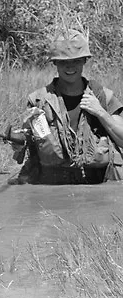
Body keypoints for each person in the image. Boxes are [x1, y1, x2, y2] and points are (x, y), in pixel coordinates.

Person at [9, 29, 123, 185]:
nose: (70, 67)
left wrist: (100, 112)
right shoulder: (39, 100)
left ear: (84, 60)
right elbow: (26, 146)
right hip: (52, 185)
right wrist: (17, 142)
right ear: (55, 63)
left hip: (97, 186)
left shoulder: (103, 97)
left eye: (76, 61)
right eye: (63, 62)